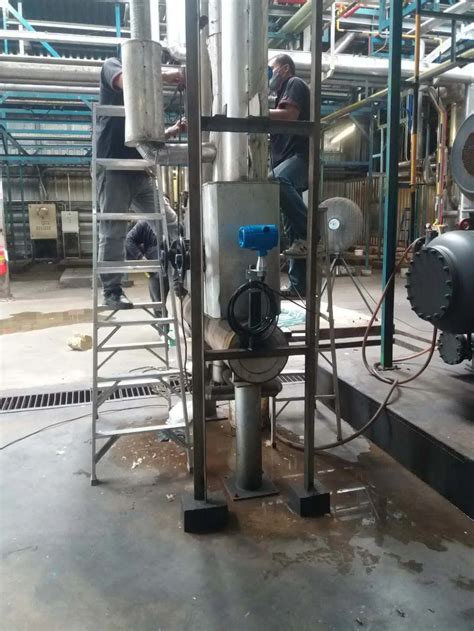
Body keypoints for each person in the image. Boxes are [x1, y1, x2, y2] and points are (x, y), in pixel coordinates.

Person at [97, 56, 186, 309]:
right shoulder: (111, 66)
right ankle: (112, 291)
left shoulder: (145, 102)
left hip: (139, 170)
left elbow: (143, 138)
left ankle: (178, 275)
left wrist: (170, 132)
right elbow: (130, 81)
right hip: (113, 166)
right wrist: (167, 76)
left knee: (169, 221)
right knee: (114, 228)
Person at [268, 53, 310, 297]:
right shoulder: (279, 97)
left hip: (301, 158)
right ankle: (298, 285)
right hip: (287, 160)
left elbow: (290, 116)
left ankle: (312, 233)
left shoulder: (294, 83)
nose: (269, 75)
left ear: (284, 69)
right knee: (291, 226)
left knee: (275, 180)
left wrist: (259, 112)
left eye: (271, 69)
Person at [125, 195, 178, 315]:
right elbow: (128, 240)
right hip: (155, 270)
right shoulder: (144, 223)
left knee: (182, 297)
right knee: (158, 304)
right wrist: (141, 258)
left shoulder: (173, 223)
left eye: (166, 205)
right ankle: (163, 325)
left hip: (174, 267)